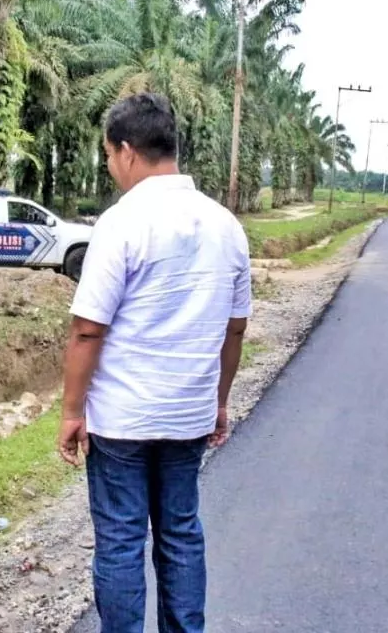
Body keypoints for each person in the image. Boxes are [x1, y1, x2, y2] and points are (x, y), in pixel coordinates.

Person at [58, 93, 251, 633]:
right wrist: (218, 402)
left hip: (122, 419)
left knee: (121, 540)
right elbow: (235, 328)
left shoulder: (122, 222)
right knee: (181, 532)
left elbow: (88, 328)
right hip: (188, 413)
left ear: (124, 151)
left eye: (108, 155)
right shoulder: (225, 225)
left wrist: (72, 410)